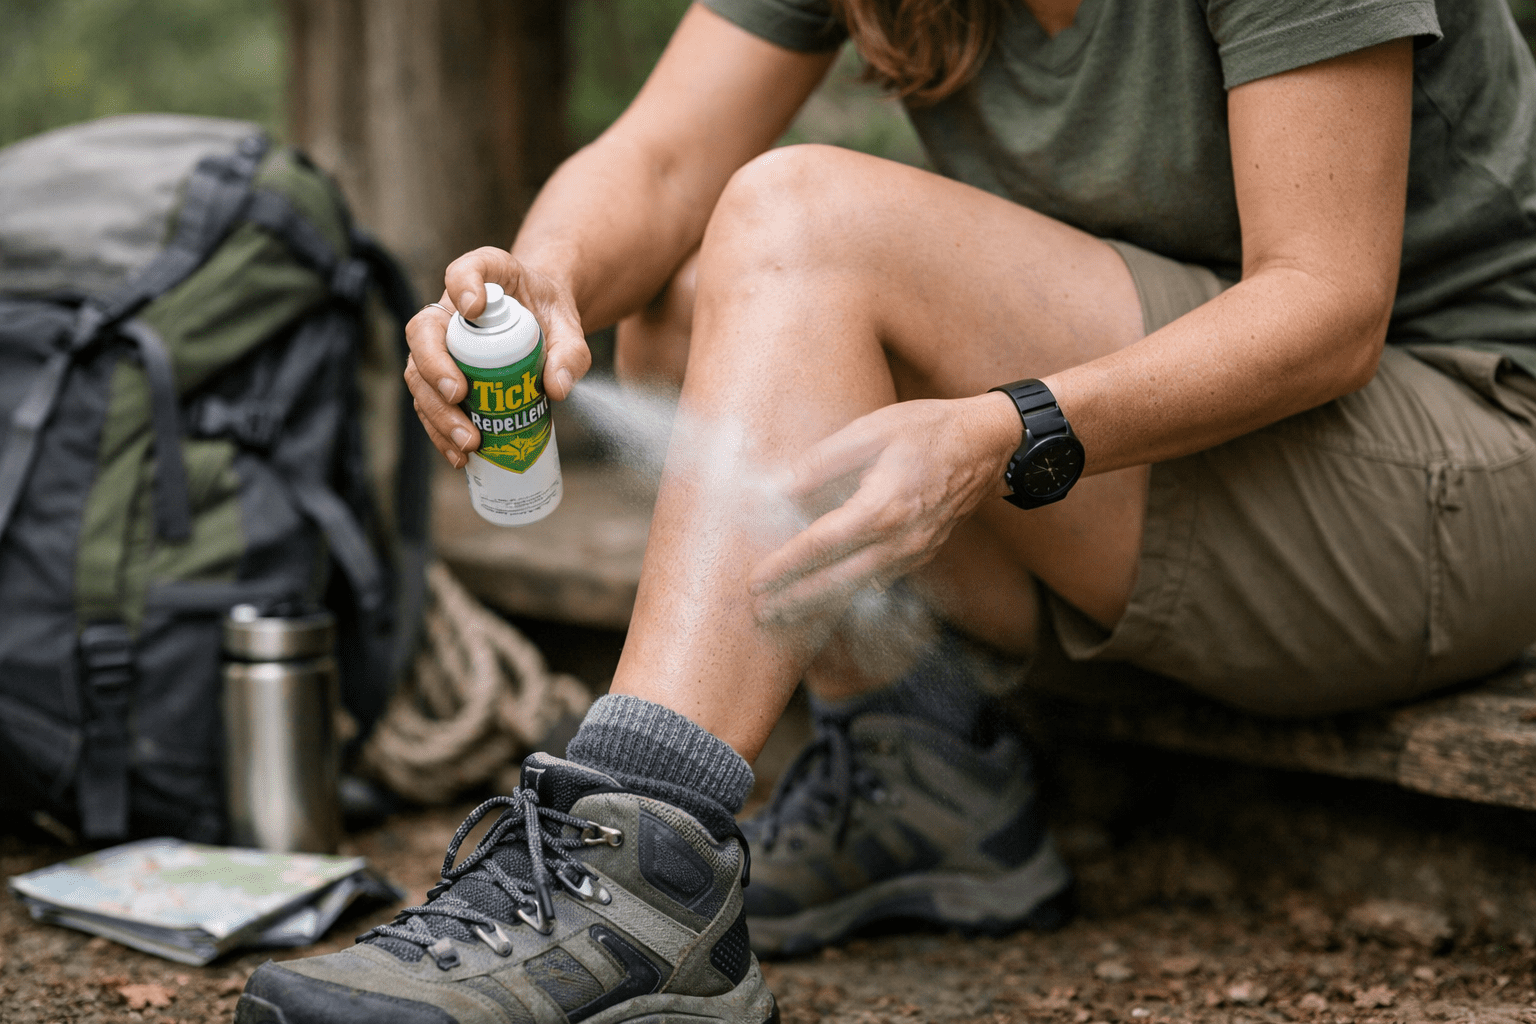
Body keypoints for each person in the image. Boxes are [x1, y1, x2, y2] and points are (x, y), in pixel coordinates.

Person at [237, 1, 1536, 1022]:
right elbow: (663, 156)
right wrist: (545, 280)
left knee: (799, 219)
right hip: (1200, 452)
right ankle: (920, 774)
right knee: (692, 305)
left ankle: (636, 866)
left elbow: (1327, 305)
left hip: (1453, 468)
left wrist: (1004, 427)